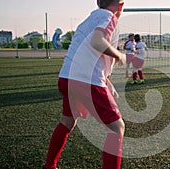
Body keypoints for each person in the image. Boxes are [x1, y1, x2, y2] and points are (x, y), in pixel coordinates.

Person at [43, 0, 126, 169]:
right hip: (86, 81)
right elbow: (97, 41)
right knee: (116, 128)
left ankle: (49, 166)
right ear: (121, 5)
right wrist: (119, 55)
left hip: (67, 77)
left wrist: (107, 82)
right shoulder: (109, 17)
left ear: (97, 2)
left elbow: (89, 55)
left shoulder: (88, 21)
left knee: (67, 122)